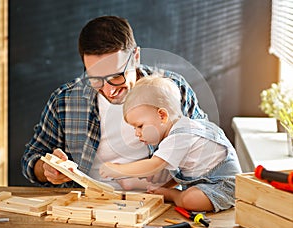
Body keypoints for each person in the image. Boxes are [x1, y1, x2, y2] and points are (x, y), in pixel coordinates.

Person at [21, 16, 207, 189]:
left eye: (117, 76)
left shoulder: (174, 90)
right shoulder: (65, 101)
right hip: (87, 206)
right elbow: (31, 158)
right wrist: (48, 168)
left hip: (159, 202)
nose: (109, 90)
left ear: (135, 57)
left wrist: (170, 180)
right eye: (95, 79)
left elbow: (205, 147)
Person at [99, 76, 242, 212]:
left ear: (162, 116)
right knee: (174, 179)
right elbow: (182, 172)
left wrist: (119, 169)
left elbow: (153, 165)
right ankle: (168, 191)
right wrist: (165, 185)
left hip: (224, 186)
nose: (137, 133)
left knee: (189, 200)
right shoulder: (181, 129)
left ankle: (174, 196)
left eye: (140, 126)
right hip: (202, 182)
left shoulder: (179, 136)